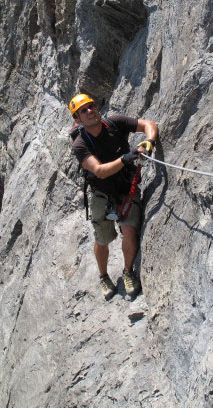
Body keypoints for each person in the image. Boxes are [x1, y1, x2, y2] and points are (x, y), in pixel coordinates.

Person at [69, 94, 159, 300]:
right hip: (102, 193)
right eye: (83, 111)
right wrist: (126, 158)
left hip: (126, 187)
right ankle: (103, 275)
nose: (90, 111)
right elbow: (99, 170)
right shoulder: (81, 144)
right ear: (77, 119)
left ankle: (128, 272)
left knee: (129, 230)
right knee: (103, 239)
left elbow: (149, 124)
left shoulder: (115, 123)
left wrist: (149, 142)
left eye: (91, 106)